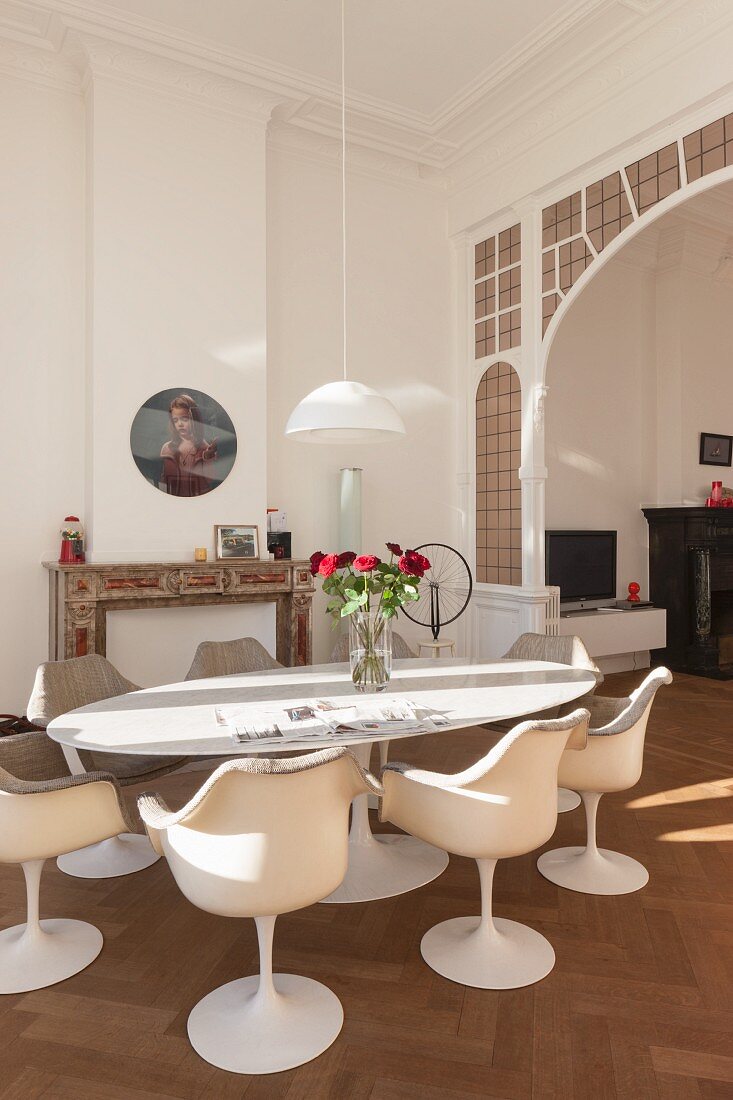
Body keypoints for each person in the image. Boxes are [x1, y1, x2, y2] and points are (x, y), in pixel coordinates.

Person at [160, 394, 218, 497]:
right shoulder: (167, 448)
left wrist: (208, 458)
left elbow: (209, 479)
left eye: (185, 419)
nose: (180, 424)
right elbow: (164, 479)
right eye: (175, 420)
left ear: (195, 420)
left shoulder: (204, 447)